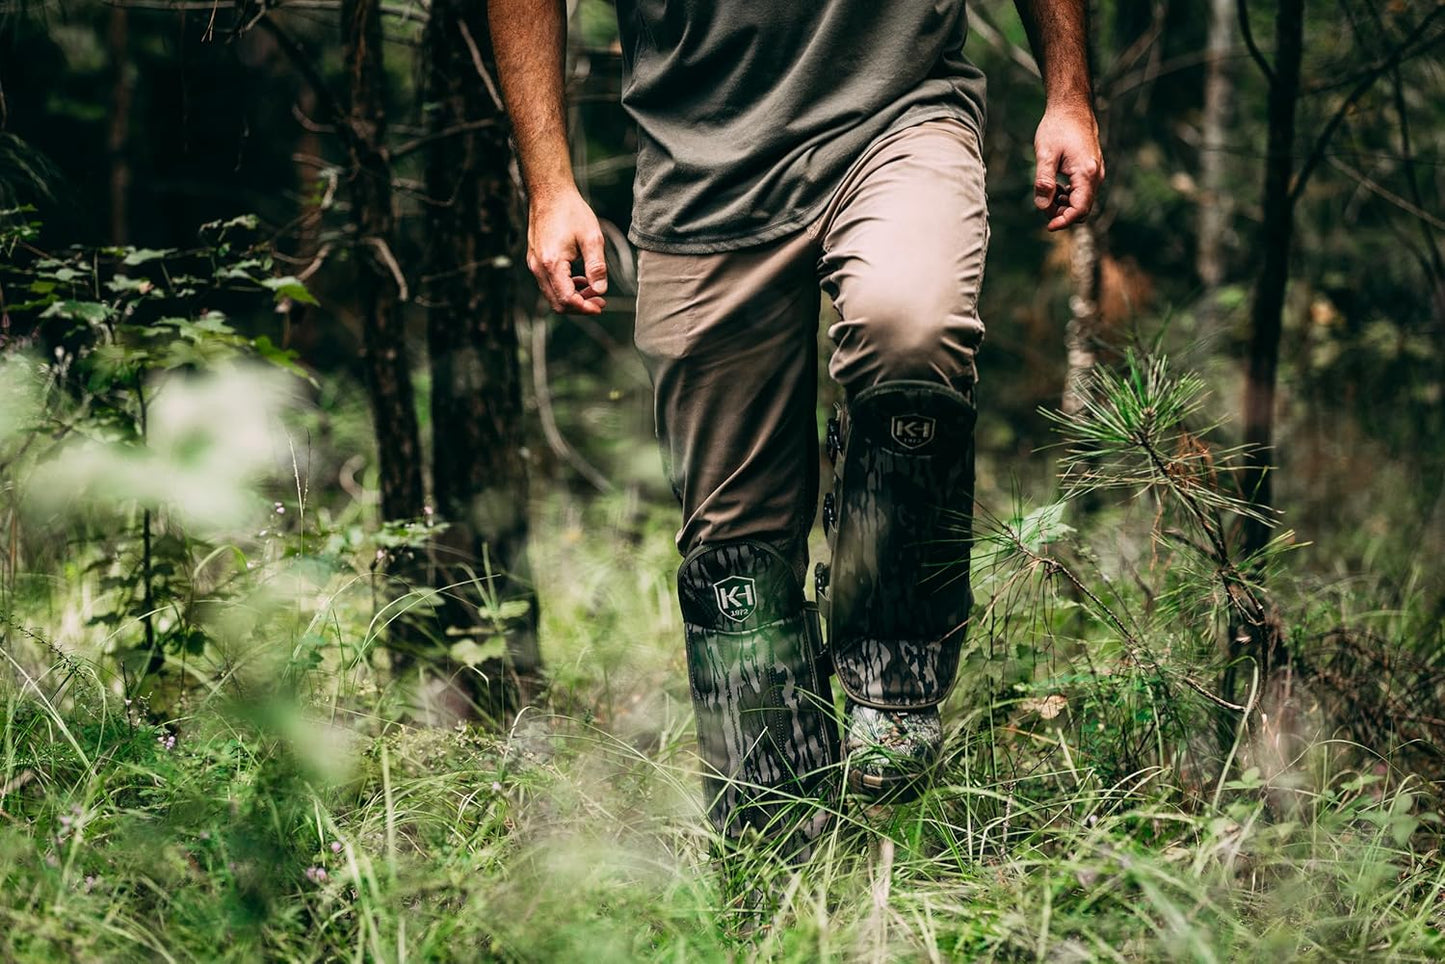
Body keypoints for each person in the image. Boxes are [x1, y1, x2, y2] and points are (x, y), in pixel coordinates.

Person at [488, 0, 1104, 848]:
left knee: (910, 335)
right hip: (698, 166)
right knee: (733, 552)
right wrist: (550, 184)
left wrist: (1067, 91)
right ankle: (780, 845)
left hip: (895, 108)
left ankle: (894, 675)